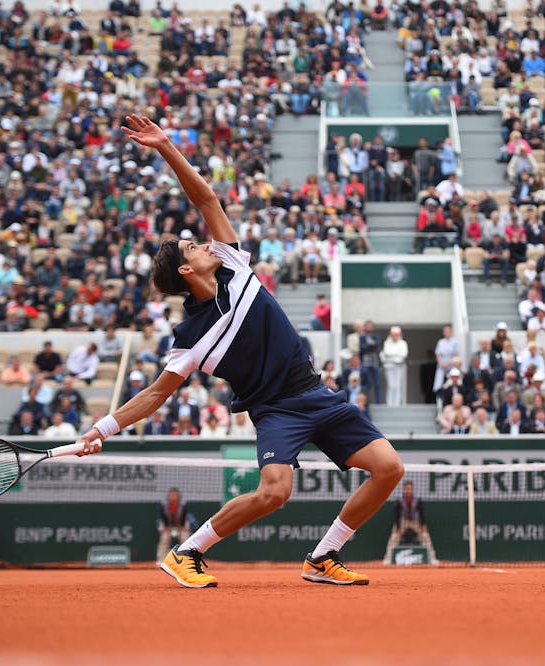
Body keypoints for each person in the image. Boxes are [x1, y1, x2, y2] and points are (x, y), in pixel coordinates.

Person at [77, 115, 404, 589]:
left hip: (315, 392)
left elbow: (205, 197)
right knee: (275, 492)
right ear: (188, 271)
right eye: (193, 246)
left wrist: (167, 146)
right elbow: (155, 394)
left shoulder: (231, 264)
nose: (205, 243)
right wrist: (101, 429)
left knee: (389, 468)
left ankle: (323, 556)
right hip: (275, 410)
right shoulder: (190, 336)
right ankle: (188, 552)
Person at [382, 481, 438, 565]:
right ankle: (388, 559)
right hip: (403, 521)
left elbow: (421, 512)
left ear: (412, 490)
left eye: (409, 489)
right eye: (406, 489)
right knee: (394, 537)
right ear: (403, 490)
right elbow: (396, 514)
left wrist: (423, 525)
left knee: (425, 537)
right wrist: (397, 527)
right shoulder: (399, 499)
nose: (408, 491)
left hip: (415, 521)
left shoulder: (417, 498)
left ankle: (432, 558)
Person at [156, 488, 192, 564]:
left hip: (180, 526)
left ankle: (187, 560)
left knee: (185, 538)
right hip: (168, 526)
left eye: (175, 495)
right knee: (164, 538)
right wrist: (166, 527)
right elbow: (162, 518)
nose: (173, 497)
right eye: (171, 495)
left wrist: (182, 527)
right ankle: (161, 560)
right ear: (168, 496)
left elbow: (185, 518)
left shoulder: (183, 505)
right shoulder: (164, 505)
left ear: (178, 496)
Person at [380, 326, 408, 406]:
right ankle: (389, 403)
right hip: (389, 367)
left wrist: (392, 356)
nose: (395, 336)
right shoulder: (387, 342)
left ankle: (397, 403)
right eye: (394, 334)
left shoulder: (403, 343)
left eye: (397, 334)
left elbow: (404, 354)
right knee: (391, 385)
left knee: (398, 385)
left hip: (399, 367)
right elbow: (386, 352)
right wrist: (396, 355)